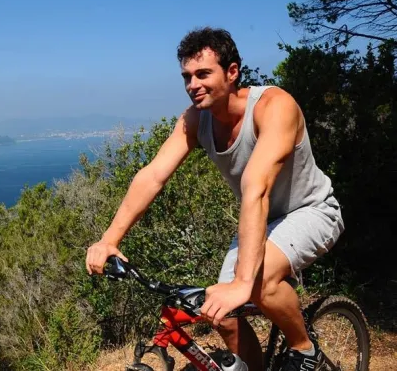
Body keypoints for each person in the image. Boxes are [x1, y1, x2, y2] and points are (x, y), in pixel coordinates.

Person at [85, 27, 344, 371]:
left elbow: (257, 186)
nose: (193, 85)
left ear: (232, 72)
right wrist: (109, 240)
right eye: (187, 77)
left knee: (257, 283)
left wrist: (242, 282)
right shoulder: (195, 120)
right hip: (261, 219)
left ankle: (304, 349)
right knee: (220, 314)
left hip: (311, 210)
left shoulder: (275, 107)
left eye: (203, 73)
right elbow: (153, 175)